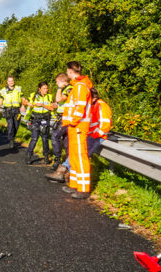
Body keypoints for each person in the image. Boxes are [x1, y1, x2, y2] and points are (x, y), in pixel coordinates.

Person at [61, 61, 94, 199]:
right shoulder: (77, 86)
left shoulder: (80, 87)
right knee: (73, 156)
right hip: (74, 126)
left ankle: (84, 188)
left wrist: (73, 121)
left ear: (70, 71)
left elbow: (80, 108)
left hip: (78, 126)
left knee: (80, 157)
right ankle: (74, 184)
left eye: (67, 71)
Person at [46, 73, 73, 182]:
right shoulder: (67, 89)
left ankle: (58, 160)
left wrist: (59, 88)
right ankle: (67, 169)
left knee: (55, 136)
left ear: (62, 81)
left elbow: (58, 98)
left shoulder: (69, 88)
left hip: (66, 118)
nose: (56, 84)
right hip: (64, 117)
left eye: (57, 82)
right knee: (66, 143)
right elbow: (62, 102)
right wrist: (57, 106)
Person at [24, 81, 53, 165]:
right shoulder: (33, 96)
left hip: (45, 120)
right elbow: (24, 102)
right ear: (39, 89)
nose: (46, 90)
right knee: (34, 138)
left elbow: (51, 108)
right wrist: (28, 103)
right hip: (35, 120)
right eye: (44, 88)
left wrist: (42, 105)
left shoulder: (49, 96)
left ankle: (46, 157)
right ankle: (29, 155)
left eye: (47, 88)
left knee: (45, 139)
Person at [0, 76, 25, 150]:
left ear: (14, 81)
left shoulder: (18, 88)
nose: (11, 82)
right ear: (7, 82)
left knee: (16, 125)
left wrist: (23, 105)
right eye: (9, 81)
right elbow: (0, 101)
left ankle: (12, 136)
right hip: (8, 110)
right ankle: (11, 140)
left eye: (12, 81)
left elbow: (23, 98)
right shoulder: (3, 90)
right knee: (11, 125)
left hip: (17, 110)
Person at [87, 87, 112, 156]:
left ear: (93, 98)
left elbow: (105, 125)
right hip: (90, 135)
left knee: (82, 156)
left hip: (96, 136)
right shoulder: (92, 105)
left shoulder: (101, 105)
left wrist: (94, 135)